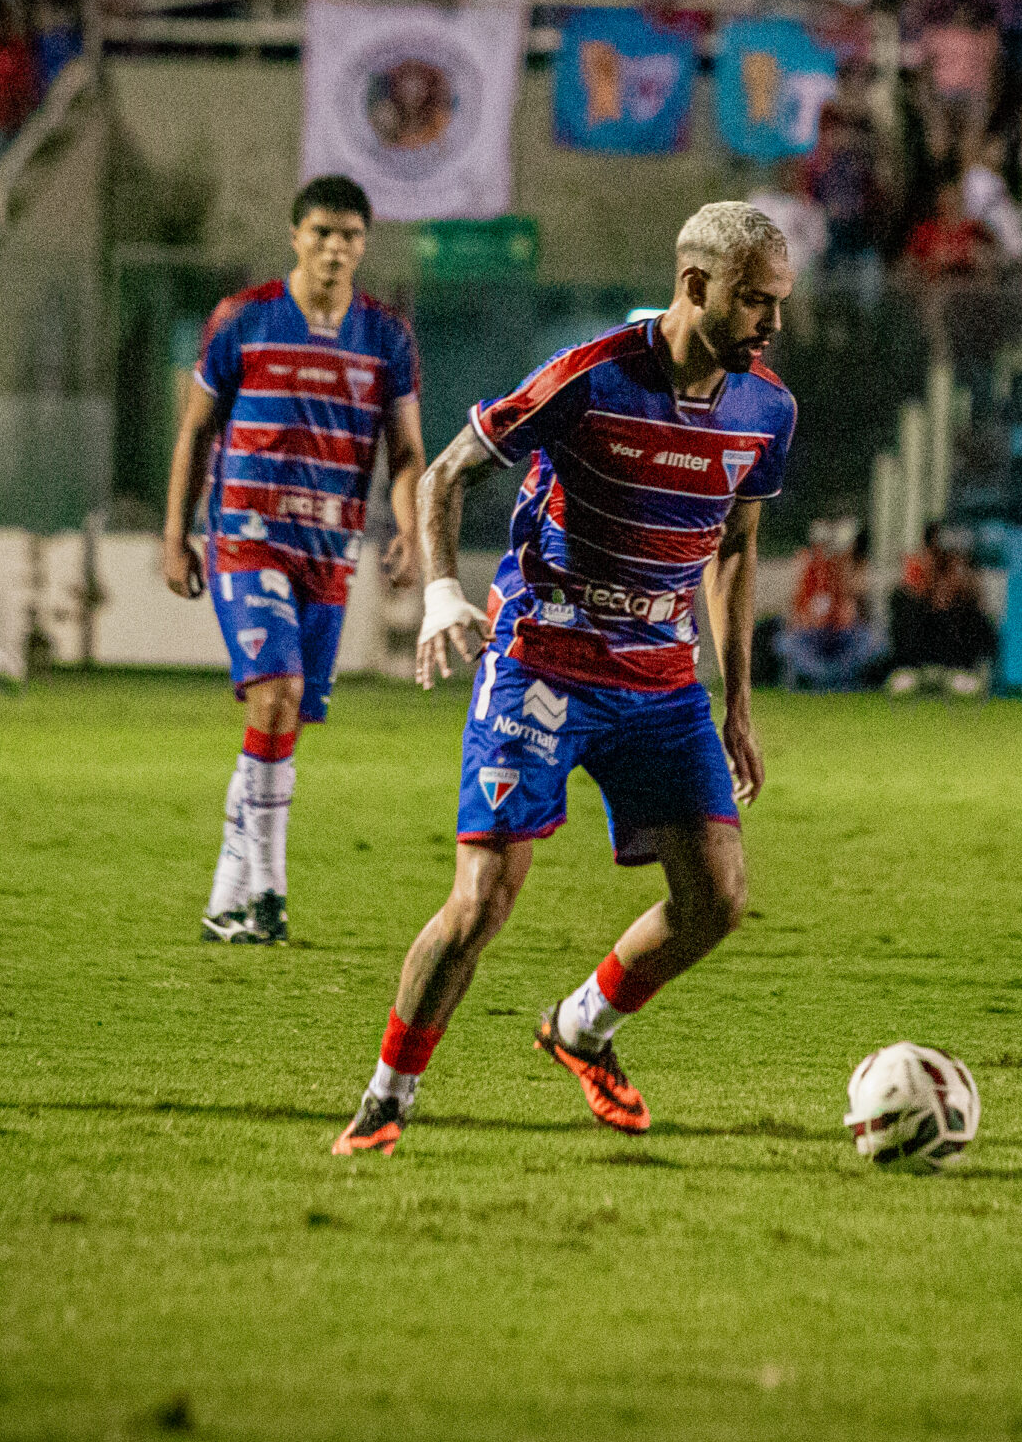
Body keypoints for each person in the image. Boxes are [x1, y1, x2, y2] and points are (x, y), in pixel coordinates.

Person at [331, 201, 796, 1156]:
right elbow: (446, 473)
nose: (772, 324)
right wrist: (443, 595)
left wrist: (736, 699)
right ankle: (387, 1099)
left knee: (718, 898)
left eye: (780, 303)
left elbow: (737, 547)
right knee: (482, 900)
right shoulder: (589, 377)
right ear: (695, 286)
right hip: (546, 653)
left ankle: (582, 1026)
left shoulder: (767, 409)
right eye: (756, 301)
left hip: (662, 675)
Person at [161, 174, 425, 946]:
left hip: (330, 548)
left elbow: (406, 452)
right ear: (294, 236)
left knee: (283, 720)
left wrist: (408, 529)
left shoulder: (386, 336)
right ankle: (269, 892)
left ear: (363, 245)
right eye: (321, 233)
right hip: (245, 534)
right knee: (275, 691)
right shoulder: (243, 319)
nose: (335, 248)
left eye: (349, 236)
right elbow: (197, 432)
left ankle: (226, 894)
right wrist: (176, 531)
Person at [885, 524, 997, 694]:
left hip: (956, 647)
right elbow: (919, 595)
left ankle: (962, 674)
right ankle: (913, 673)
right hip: (926, 643)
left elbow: (976, 601)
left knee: (974, 620)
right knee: (908, 612)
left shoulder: (966, 579)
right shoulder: (922, 568)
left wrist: (957, 584)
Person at [776, 520, 880, 690]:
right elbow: (797, 613)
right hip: (812, 635)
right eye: (819, 545)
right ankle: (822, 679)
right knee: (786, 643)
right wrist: (809, 619)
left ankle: (837, 679)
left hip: (838, 635)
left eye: (828, 546)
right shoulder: (807, 571)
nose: (823, 551)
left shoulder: (842, 570)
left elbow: (849, 611)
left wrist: (839, 617)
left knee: (871, 642)